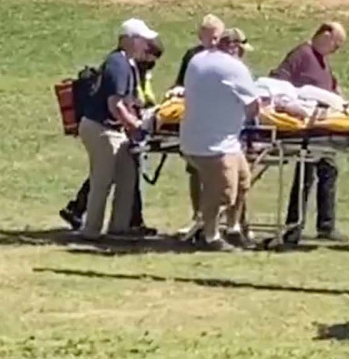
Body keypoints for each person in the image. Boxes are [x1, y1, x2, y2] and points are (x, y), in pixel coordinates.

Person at [60, 37, 164, 235]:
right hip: (102, 128)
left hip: (116, 130)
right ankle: (91, 230)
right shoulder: (118, 64)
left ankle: (120, 227)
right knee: (102, 179)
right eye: (145, 46)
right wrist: (135, 125)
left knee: (127, 175)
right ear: (131, 41)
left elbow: (134, 100)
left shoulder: (130, 65)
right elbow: (115, 104)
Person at [180, 28, 260, 252]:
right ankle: (209, 235)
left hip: (202, 138)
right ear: (234, 46)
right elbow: (253, 107)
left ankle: (232, 228)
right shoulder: (234, 67)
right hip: (215, 143)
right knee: (223, 192)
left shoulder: (197, 59)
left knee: (243, 181)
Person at [271, 22, 347, 244]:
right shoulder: (301, 54)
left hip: (324, 125)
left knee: (329, 171)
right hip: (306, 126)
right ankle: (294, 226)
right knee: (305, 175)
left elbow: (332, 87)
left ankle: (326, 225)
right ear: (325, 35)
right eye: (336, 44)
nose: (336, 50)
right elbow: (279, 79)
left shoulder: (323, 61)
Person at [170, 14, 225, 235]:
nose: (212, 42)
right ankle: (197, 217)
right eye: (208, 37)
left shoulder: (224, 58)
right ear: (200, 36)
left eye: (216, 38)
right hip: (196, 121)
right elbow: (181, 83)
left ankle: (222, 220)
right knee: (195, 171)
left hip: (218, 122)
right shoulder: (192, 57)